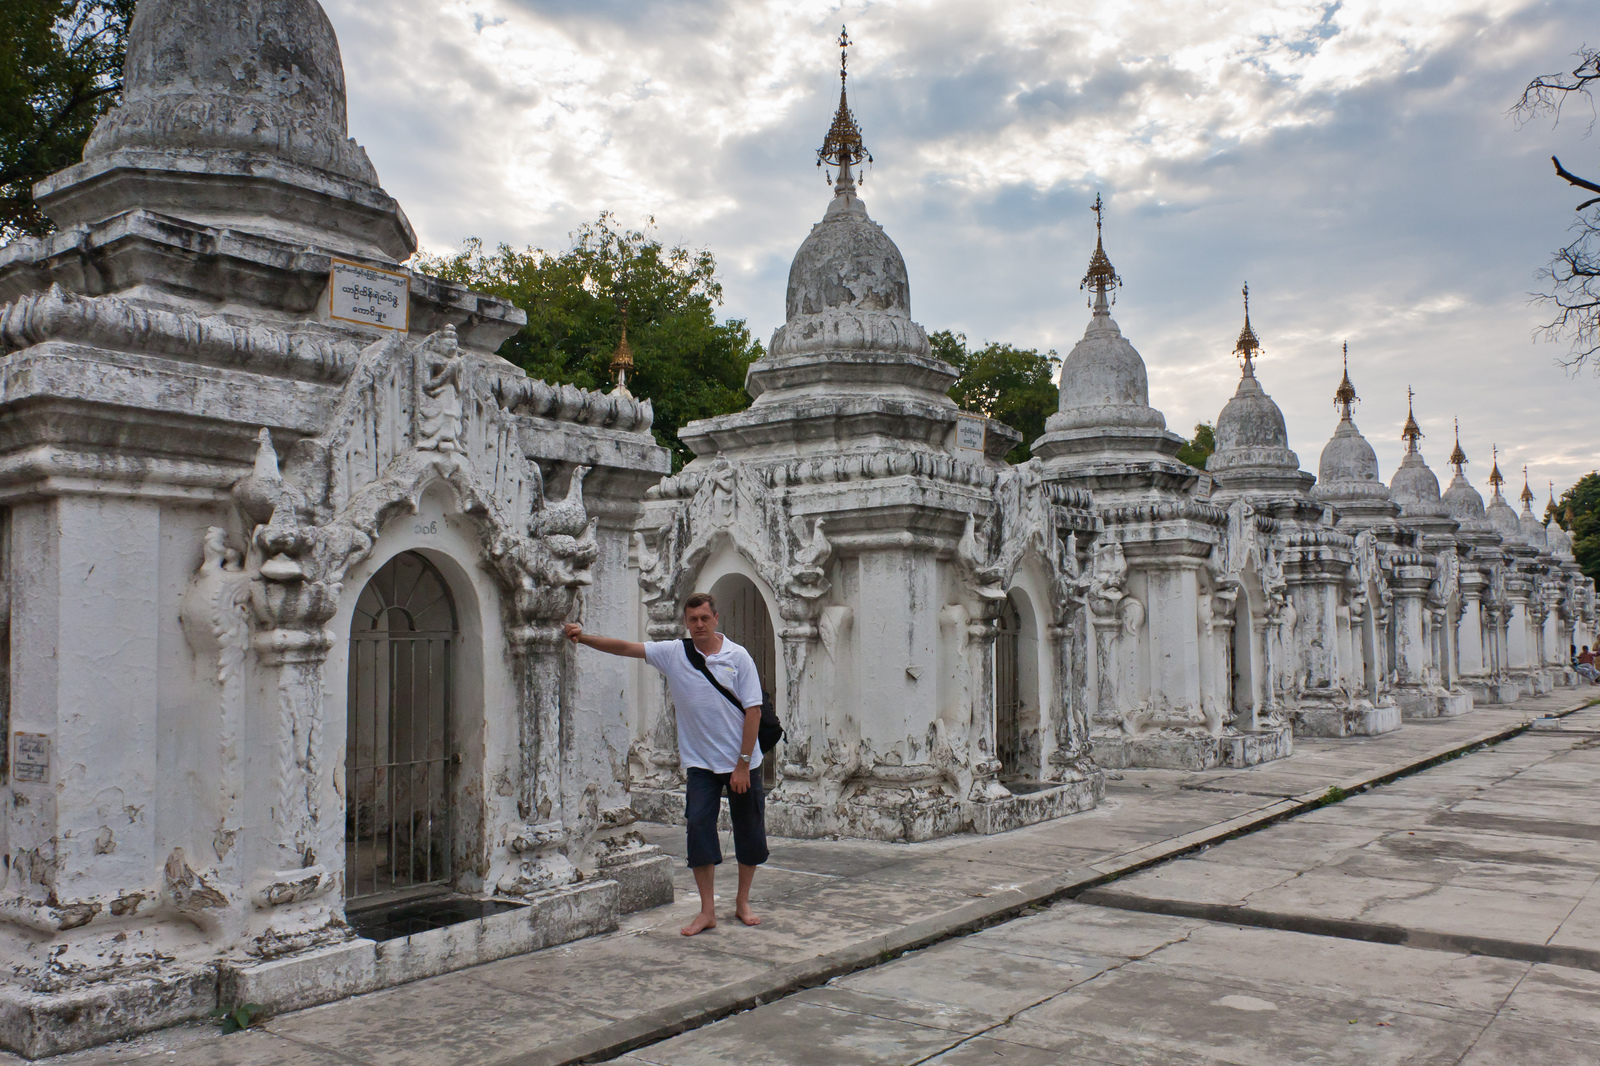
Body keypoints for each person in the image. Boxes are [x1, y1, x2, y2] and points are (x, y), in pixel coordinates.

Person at [564, 592, 767, 936]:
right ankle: (707, 910)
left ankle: (742, 902)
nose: (699, 624)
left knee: (748, 831)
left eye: (704, 618)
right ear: (686, 623)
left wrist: (743, 764)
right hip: (701, 763)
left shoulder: (739, 656)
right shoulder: (674, 653)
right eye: (693, 619)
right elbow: (626, 648)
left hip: (742, 761)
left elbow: (754, 711)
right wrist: (582, 637)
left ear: (716, 618)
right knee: (698, 830)